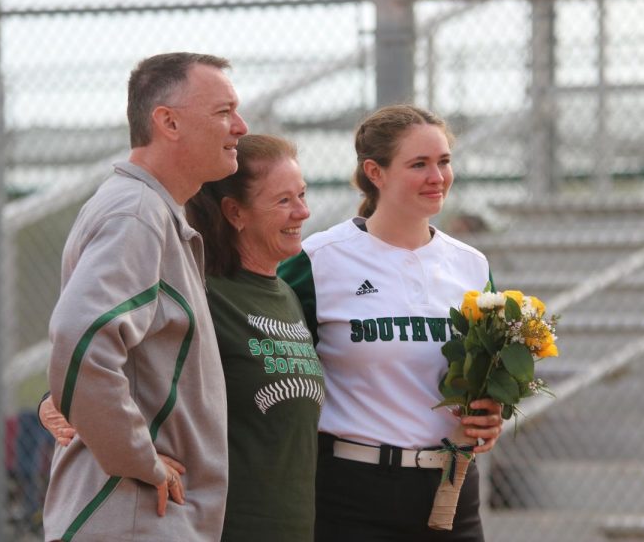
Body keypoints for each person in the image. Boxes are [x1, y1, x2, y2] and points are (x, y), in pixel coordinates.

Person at [41, 134, 324, 541]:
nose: (303, 211)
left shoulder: (287, 295)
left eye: (302, 194)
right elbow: (103, 356)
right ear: (235, 213)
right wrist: (51, 405)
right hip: (220, 526)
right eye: (283, 201)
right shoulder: (205, 292)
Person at [43, 51, 247, 541]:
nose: (239, 126)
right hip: (131, 513)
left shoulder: (149, 209)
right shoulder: (136, 213)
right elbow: (81, 337)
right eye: (223, 112)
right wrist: (139, 459)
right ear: (168, 121)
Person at [278, 104, 504, 542]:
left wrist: (488, 415)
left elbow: (483, 376)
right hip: (350, 491)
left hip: (452, 490)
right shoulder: (319, 260)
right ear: (375, 172)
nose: (437, 176)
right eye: (418, 164)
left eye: (443, 161)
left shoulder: (471, 265)